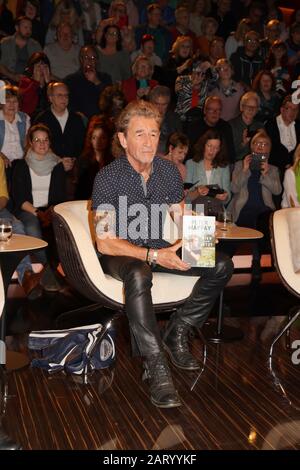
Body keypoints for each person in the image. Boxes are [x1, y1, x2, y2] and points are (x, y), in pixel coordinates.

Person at [91, 100, 233, 408]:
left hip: (157, 248)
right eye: (139, 133)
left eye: (153, 134)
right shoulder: (107, 177)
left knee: (221, 265)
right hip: (120, 255)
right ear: (123, 139)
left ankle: (178, 330)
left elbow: (180, 214)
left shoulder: (168, 171)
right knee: (139, 271)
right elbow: (104, 241)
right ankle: (155, 366)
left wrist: (200, 240)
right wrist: (154, 256)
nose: (147, 141)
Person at [227, 131, 282, 280]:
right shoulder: (240, 164)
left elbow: (277, 190)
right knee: (250, 218)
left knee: (261, 219)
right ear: (252, 146)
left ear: (269, 149)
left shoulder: (273, 169)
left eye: (264, 144)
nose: (260, 147)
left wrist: (265, 174)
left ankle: (257, 262)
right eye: (257, 144)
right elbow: (234, 188)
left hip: (263, 209)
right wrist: (245, 170)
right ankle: (227, 263)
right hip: (243, 207)